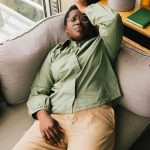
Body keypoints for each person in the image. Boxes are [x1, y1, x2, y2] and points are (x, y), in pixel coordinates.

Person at [12, 0, 123, 149]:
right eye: (73, 19)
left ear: (91, 23)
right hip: (54, 118)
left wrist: (84, 7)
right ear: (66, 29)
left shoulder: (103, 45)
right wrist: (42, 116)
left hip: (92, 117)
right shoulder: (55, 54)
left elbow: (113, 20)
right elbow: (38, 90)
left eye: (83, 18)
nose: (78, 21)